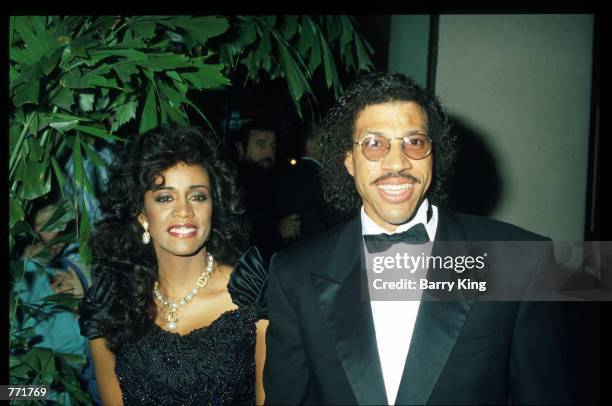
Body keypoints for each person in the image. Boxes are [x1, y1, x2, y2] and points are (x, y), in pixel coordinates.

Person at [263, 73, 571, 404]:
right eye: (374, 143)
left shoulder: (521, 260)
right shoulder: (293, 275)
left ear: (434, 154)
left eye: (414, 142)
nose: (397, 162)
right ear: (348, 161)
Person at [78, 126, 268, 405]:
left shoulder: (254, 297)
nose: (184, 211)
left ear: (213, 208)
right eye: (165, 197)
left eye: (197, 196)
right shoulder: (110, 304)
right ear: (142, 215)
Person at [234, 119, 298, 264]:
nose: (269, 153)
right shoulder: (233, 188)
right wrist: (277, 231)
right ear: (240, 148)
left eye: (273, 146)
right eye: (261, 145)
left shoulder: (276, 181)